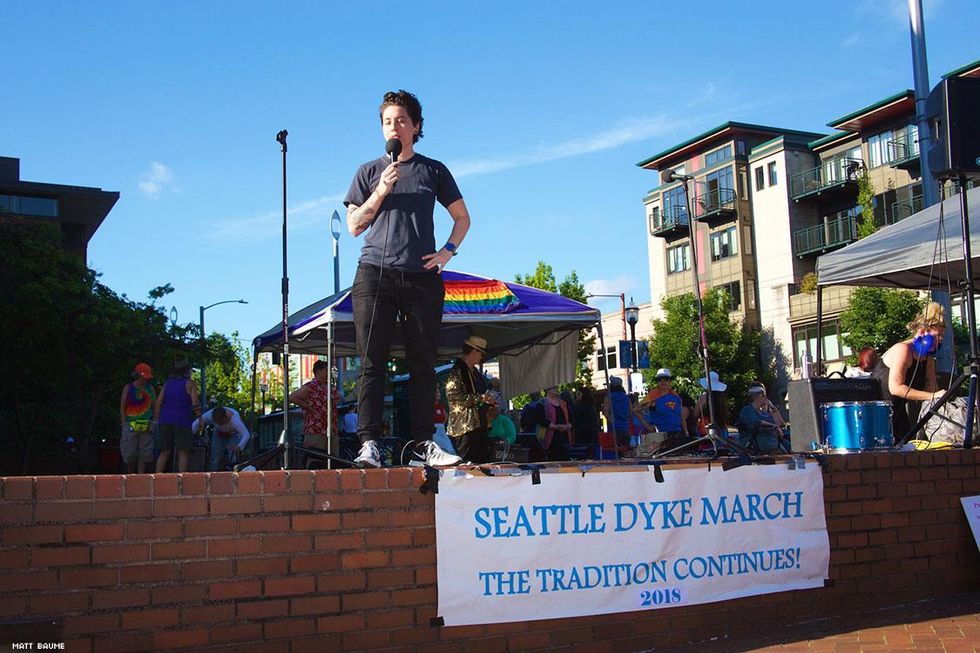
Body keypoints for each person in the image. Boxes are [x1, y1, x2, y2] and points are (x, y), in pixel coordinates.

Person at [344, 89, 470, 468]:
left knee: (422, 362)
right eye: (387, 121)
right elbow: (353, 225)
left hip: (421, 276)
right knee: (372, 361)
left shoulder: (434, 170)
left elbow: (463, 218)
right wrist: (381, 189)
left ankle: (423, 444)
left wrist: (447, 251)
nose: (394, 126)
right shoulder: (368, 171)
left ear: (416, 126)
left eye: (401, 120)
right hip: (374, 274)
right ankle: (370, 444)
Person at [870, 302, 946, 440]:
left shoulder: (928, 359)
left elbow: (933, 391)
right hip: (876, 413)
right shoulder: (903, 350)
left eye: (941, 336)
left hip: (897, 413)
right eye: (936, 336)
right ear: (922, 331)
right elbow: (896, 388)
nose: (939, 341)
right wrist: (932, 396)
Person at [445, 335, 491, 464]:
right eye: (480, 353)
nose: (482, 357)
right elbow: (453, 396)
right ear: (474, 351)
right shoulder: (457, 371)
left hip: (478, 425)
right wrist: (481, 398)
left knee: (482, 462)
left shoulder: (475, 372)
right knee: (467, 464)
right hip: (464, 427)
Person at [154, 360, 201, 473]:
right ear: (187, 371)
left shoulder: (168, 383)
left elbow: (159, 401)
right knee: (183, 451)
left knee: (164, 451)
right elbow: (195, 402)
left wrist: (156, 419)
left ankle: (157, 477)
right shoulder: (190, 383)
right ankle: (181, 478)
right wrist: (200, 417)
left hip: (165, 419)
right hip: (182, 420)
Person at [289, 360, 340, 456]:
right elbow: (292, 397)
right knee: (316, 458)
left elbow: (338, 399)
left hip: (331, 429)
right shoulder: (310, 387)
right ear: (318, 371)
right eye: (326, 371)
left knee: (334, 458)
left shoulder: (330, 387)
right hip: (316, 429)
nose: (328, 374)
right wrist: (309, 408)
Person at [119, 363, 156, 473]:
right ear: (138, 375)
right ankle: (130, 474)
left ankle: (141, 476)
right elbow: (123, 404)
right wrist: (124, 421)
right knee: (129, 452)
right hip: (130, 423)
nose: (145, 380)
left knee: (144, 452)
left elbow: (155, 404)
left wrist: (154, 421)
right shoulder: (128, 388)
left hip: (146, 423)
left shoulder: (150, 388)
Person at [193, 405, 250, 471]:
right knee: (215, 456)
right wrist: (190, 436)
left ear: (226, 417)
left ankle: (233, 471)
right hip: (218, 433)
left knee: (233, 455)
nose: (220, 424)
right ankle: (212, 474)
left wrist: (239, 446)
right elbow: (195, 424)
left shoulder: (235, 420)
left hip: (234, 433)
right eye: (218, 423)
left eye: (222, 422)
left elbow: (246, 434)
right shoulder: (209, 415)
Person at [737, 382, 787, 454]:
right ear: (758, 396)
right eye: (763, 395)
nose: (765, 398)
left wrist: (772, 407)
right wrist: (774, 427)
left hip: (773, 448)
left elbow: (781, 424)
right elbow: (757, 423)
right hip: (755, 451)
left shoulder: (765, 413)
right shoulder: (747, 410)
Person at [635, 369, 687, 438]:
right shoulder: (652, 397)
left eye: (666, 379)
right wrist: (648, 426)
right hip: (660, 435)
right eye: (660, 379)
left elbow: (681, 416)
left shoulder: (676, 397)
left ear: (670, 381)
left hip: (677, 434)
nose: (663, 382)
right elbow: (636, 410)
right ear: (657, 382)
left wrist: (686, 431)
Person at [536, 385, 575, 460]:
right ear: (547, 389)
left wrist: (567, 426)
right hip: (549, 440)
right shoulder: (541, 403)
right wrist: (555, 426)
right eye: (554, 387)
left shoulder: (564, 403)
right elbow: (541, 419)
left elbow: (572, 418)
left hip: (564, 439)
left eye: (557, 387)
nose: (556, 389)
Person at [695, 370, 729, 437]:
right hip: (721, 430)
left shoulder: (703, 397)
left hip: (705, 431)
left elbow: (695, 414)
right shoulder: (721, 398)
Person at [603, 376, 631, 447]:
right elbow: (630, 412)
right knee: (625, 451)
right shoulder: (626, 398)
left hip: (614, 428)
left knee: (614, 452)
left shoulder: (609, 397)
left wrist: (609, 417)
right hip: (625, 428)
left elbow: (605, 412)